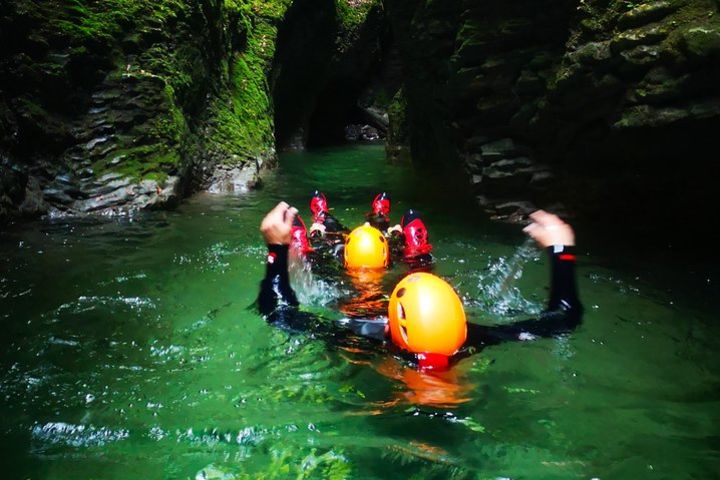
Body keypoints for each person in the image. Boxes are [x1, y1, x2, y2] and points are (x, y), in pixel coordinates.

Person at [257, 202, 582, 369]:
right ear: (458, 320)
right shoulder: (474, 339)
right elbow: (564, 319)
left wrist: (277, 250)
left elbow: (275, 312)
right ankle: (415, 251)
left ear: (391, 326)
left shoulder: (368, 338)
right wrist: (561, 249)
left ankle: (313, 236)